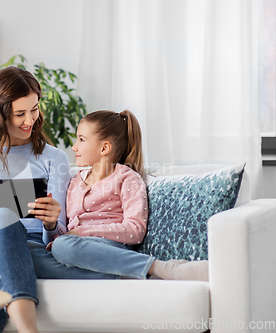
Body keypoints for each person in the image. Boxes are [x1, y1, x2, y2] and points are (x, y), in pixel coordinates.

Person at [0, 66, 73, 333]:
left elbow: (57, 234)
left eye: (34, 109)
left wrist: (52, 224)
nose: (30, 120)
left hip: (26, 247)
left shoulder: (55, 158)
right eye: (20, 113)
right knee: (2, 219)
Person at [47, 110, 209, 281]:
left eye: (81, 139)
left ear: (104, 148)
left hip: (108, 246)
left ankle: (158, 267)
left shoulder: (127, 177)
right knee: (29, 250)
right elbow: (66, 230)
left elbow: (135, 230)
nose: (74, 146)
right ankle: (120, 272)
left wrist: (81, 232)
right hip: (75, 249)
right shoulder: (73, 181)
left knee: (63, 247)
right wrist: (51, 225)